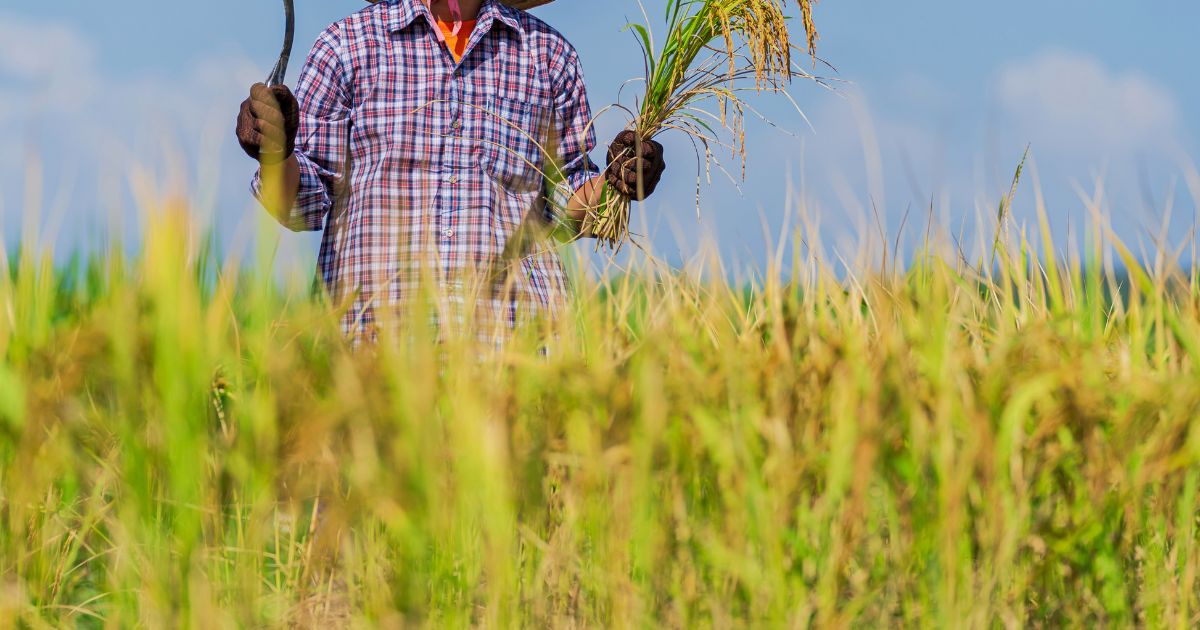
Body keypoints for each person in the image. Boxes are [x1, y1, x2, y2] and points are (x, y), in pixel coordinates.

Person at [235, 0, 666, 339]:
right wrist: (276, 155)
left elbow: (563, 207)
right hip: (372, 354)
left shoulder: (548, 57)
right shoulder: (347, 47)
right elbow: (300, 207)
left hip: (518, 353)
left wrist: (617, 184)